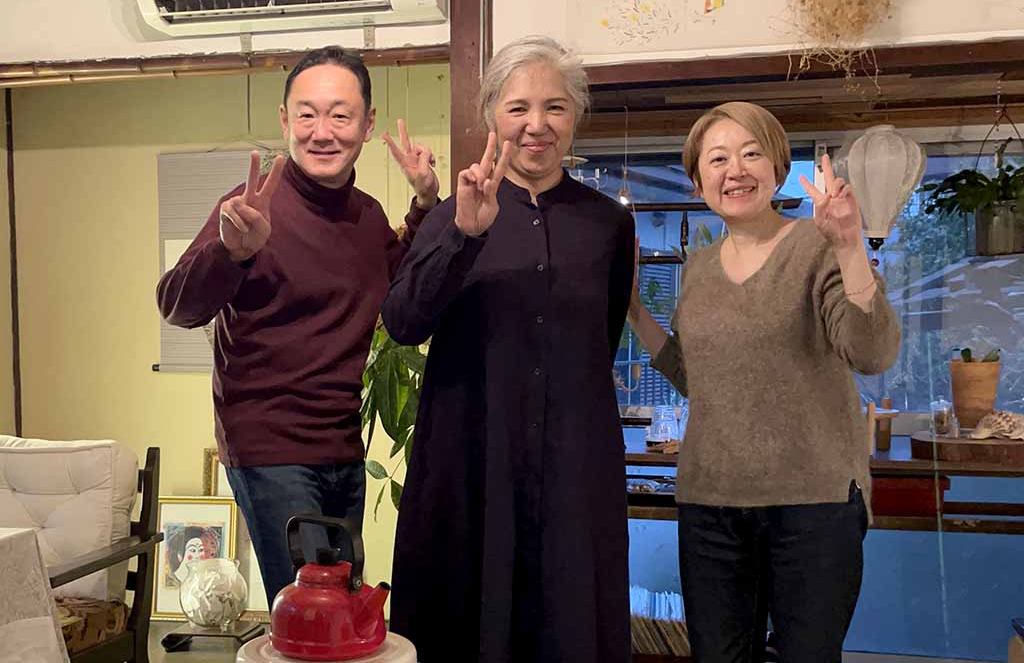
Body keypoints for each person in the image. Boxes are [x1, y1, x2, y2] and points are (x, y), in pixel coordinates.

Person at [381, 35, 635, 663]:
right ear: (492, 115)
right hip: (472, 462)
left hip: (574, 467)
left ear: (575, 117)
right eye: (518, 107)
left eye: (555, 107)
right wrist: (464, 236)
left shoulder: (609, 224)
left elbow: (600, 340)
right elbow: (404, 322)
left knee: (568, 623)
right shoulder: (450, 215)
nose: (536, 125)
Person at [156, 46, 439, 606]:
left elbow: (400, 285)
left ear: (367, 125)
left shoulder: (366, 216)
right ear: (285, 121)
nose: (322, 131)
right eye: (307, 114)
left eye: (340, 115)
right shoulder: (250, 208)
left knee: (340, 606)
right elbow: (178, 307)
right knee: (312, 611)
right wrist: (231, 253)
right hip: (269, 445)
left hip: (341, 445)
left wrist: (426, 203)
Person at [627, 101, 901, 663]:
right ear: (698, 180)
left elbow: (872, 353)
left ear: (777, 168)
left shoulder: (817, 245)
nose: (736, 170)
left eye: (751, 154)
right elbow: (699, 380)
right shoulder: (698, 269)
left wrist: (850, 245)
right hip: (711, 504)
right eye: (717, 159)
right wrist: (632, 307)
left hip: (813, 504)